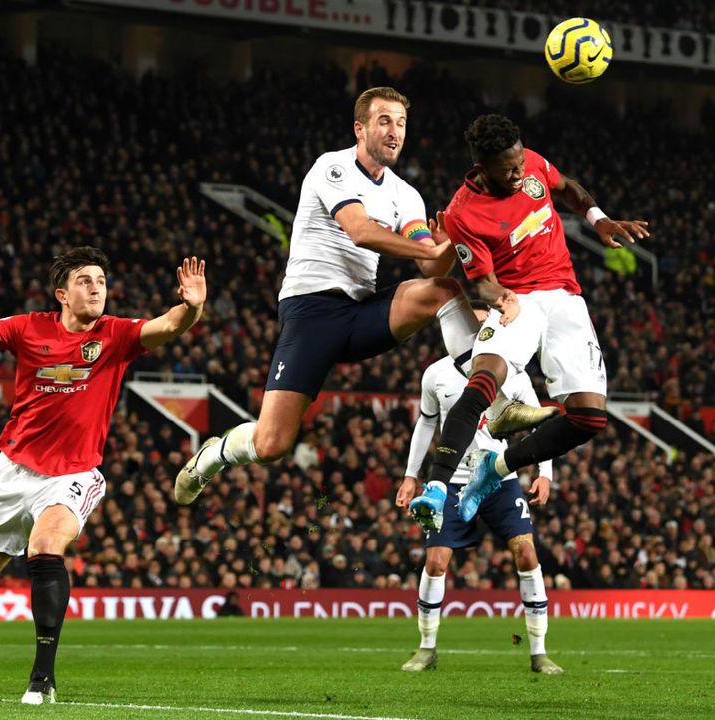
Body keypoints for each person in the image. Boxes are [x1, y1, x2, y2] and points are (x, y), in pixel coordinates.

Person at [173, 89, 551, 505]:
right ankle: (215, 454)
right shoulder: (332, 168)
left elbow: (429, 266)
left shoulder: (405, 194)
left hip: (360, 313)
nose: (395, 131)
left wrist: (447, 243)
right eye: (385, 121)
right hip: (311, 312)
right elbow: (360, 230)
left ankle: (493, 404)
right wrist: (430, 249)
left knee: (444, 290)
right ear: (361, 128)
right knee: (272, 444)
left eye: (401, 123)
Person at [0, 248, 207, 704]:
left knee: (45, 546)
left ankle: (42, 678)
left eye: (101, 280)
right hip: (12, 470)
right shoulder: (29, 327)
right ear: (62, 294)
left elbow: (168, 325)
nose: (97, 287)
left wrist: (191, 307)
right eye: (85, 280)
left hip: (74, 472)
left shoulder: (117, 335)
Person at [421, 113, 649, 519]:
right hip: (518, 298)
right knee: (483, 380)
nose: (518, 172)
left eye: (520, 162)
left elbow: (570, 190)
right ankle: (437, 487)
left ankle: (497, 467)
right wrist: (500, 299)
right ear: (482, 167)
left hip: (564, 296)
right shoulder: (463, 213)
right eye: (507, 169)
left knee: (589, 418)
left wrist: (599, 219)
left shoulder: (531, 163)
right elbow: (483, 282)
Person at [396, 309, 563, 675]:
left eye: (484, 321)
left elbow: (538, 426)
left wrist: (545, 473)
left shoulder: (514, 374)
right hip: (452, 482)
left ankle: (539, 652)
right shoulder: (437, 374)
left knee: (526, 553)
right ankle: (426, 649)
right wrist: (411, 475)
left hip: (499, 478)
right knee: (437, 560)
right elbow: (425, 424)